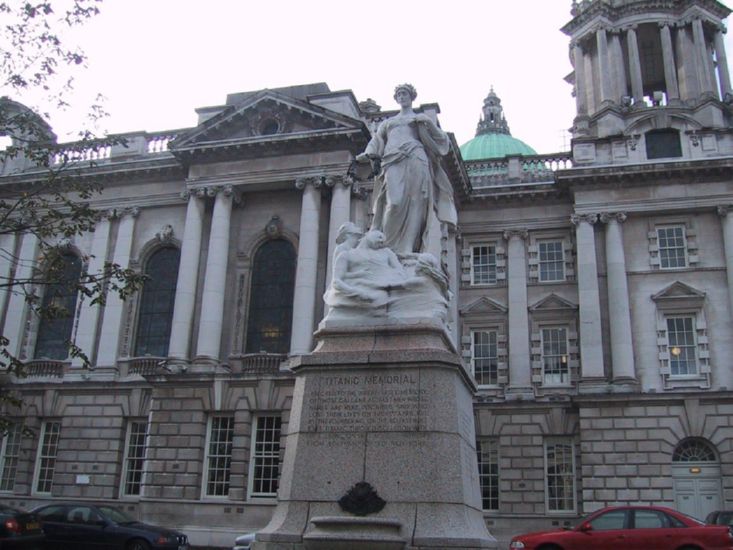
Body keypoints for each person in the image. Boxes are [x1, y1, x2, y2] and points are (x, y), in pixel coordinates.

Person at [356, 84, 456, 255]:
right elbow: (377, 142)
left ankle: (407, 248)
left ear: (412, 97)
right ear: (396, 98)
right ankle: (386, 248)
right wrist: (366, 154)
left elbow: (442, 141)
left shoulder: (421, 118)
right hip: (392, 160)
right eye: (399, 94)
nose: (402, 97)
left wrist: (428, 124)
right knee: (393, 202)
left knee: (416, 203)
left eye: (405, 94)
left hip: (416, 158)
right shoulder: (388, 122)